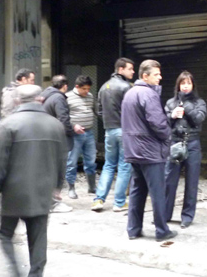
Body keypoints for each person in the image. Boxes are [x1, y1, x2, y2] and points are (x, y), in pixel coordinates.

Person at [0, 85, 65, 277]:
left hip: (14, 193)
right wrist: (58, 185)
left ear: (18, 101)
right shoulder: (55, 125)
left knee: (5, 234)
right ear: (40, 99)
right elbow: (62, 160)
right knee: (38, 237)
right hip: (42, 191)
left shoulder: (8, 125)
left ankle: (16, 274)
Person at [122, 59, 177, 241]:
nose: (160, 77)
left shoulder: (130, 93)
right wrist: (167, 135)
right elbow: (157, 123)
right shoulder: (149, 94)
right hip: (150, 151)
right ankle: (162, 231)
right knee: (157, 192)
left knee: (137, 190)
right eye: (156, 74)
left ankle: (133, 229)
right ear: (145, 76)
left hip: (133, 149)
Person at [164, 71, 207, 228]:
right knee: (169, 181)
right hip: (175, 143)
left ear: (193, 85)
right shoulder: (170, 103)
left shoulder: (199, 102)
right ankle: (165, 215)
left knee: (192, 182)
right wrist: (172, 116)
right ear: (178, 85)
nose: (186, 86)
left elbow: (199, 119)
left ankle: (187, 216)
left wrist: (186, 106)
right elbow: (162, 124)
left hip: (192, 143)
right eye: (183, 83)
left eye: (189, 83)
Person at [91, 58, 135, 212]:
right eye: (130, 69)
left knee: (109, 165)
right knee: (124, 166)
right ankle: (119, 202)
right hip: (124, 130)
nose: (133, 72)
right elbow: (133, 110)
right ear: (121, 69)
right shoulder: (127, 87)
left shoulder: (103, 87)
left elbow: (99, 110)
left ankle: (98, 199)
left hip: (109, 130)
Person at [40, 74, 76, 213]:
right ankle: (53, 203)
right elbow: (63, 120)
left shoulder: (45, 95)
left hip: (45, 137)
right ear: (65, 86)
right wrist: (71, 132)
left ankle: (48, 200)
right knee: (57, 170)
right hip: (56, 140)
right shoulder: (59, 98)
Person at [66, 75, 99, 199]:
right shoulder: (68, 97)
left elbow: (96, 111)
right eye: (84, 89)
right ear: (77, 87)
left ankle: (92, 186)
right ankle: (71, 188)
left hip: (89, 132)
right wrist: (73, 125)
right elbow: (63, 116)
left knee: (91, 160)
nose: (86, 91)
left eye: (88, 89)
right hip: (75, 135)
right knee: (72, 162)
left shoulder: (90, 96)